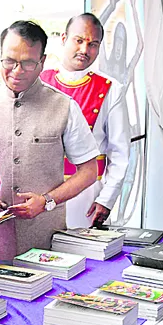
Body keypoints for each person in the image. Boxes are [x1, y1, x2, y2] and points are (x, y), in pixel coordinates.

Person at [0, 20, 99, 263]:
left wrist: (47, 201)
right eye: (9, 61)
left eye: (28, 63)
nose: (17, 71)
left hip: (48, 244)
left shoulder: (64, 107)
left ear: (42, 62)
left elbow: (89, 171)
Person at [41, 13, 130, 227]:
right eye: (79, 40)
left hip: (87, 192)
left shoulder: (110, 89)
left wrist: (106, 198)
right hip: (41, 187)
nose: (84, 50)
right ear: (64, 39)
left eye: (93, 44)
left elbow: (120, 152)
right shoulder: (40, 81)